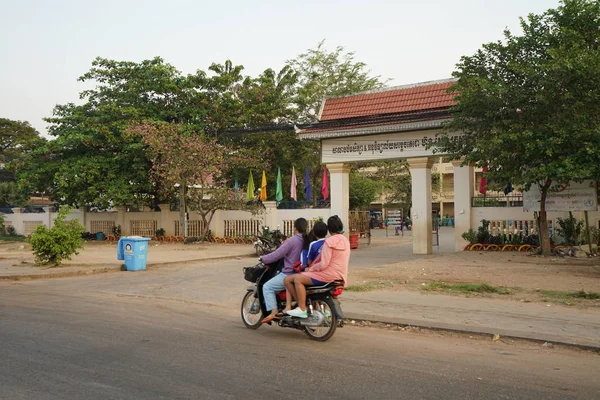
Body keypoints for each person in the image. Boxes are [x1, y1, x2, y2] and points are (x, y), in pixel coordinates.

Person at [284, 215, 350, 319]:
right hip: (341, 275)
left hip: (326, 275)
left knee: (292, 279)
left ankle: (302, 308)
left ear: (329, 229)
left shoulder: (329, 242)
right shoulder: (346, 241)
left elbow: (323, 264)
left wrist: (310, 269)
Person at [259, 218, 308, 324]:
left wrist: (264, 258)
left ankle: (274, 311)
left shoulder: (292, 241)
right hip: (304, 274)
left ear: (295, 228)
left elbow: (277, 255)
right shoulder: (308, 239)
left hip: (289, 273)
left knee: (267, 287)